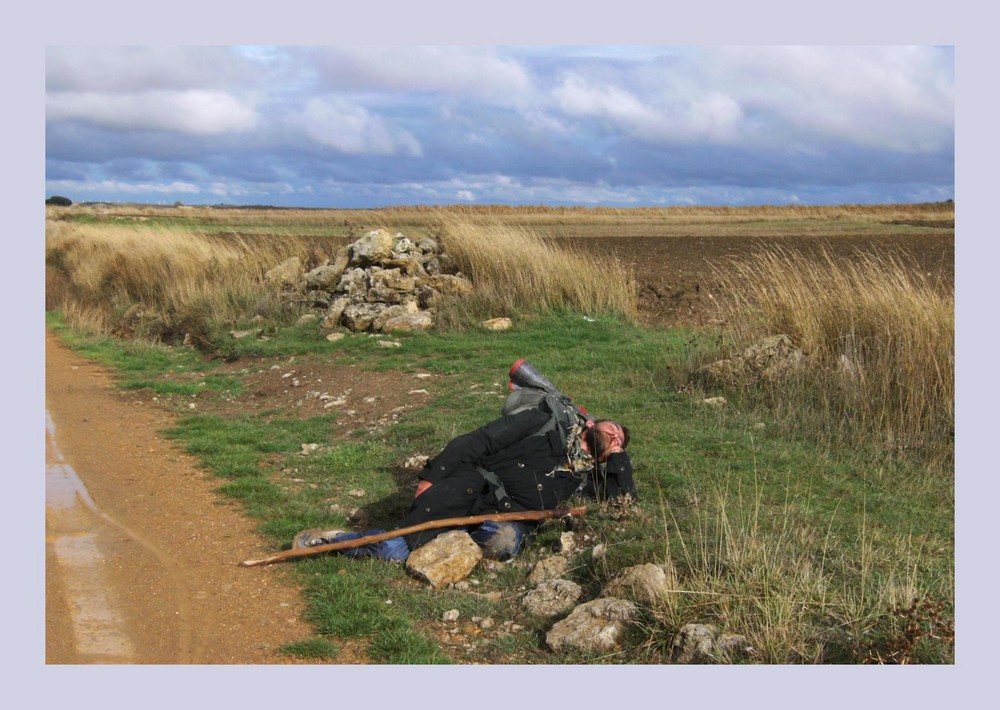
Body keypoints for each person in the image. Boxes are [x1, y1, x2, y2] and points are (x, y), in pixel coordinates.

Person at [293, 368, 636, 562]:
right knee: (393, 550)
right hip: (469, 491)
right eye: (614, 429)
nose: (616, 435)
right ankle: (333, 541)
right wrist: (433, 476)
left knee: (503, 545)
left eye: (620, 440)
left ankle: (457, 543)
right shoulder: (544, 423)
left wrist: (617, 458)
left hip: (506, 520)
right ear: (592, 423)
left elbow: (623, 500)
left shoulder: (584, 477)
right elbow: (480, 440)